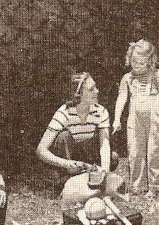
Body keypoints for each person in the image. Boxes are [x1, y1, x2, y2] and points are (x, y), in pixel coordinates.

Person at [36, 72, 122, 211]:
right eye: (91, 89)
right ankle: (69, 182)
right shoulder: (64, 112)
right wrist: (66, 163)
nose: (97, 91)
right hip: (69, 158)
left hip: (88, 156)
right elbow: (41, 150)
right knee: (63, 136)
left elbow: (104, 144)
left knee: (113, 157)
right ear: (78, 95)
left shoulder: (101, 111)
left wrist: (104, 172)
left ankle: (93, 181)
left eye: (95, 87)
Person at [112, 40, 159, 196]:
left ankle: (156, 187)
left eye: (141, 63)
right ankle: (137, 186)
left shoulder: (156, 74)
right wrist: (117, 118)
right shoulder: (127, 78)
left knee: (155, 149)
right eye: (133, 61)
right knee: (135, 149)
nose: (136, 65)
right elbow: (122, 98)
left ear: (149, 61)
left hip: (155, 113)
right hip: (135, 115)